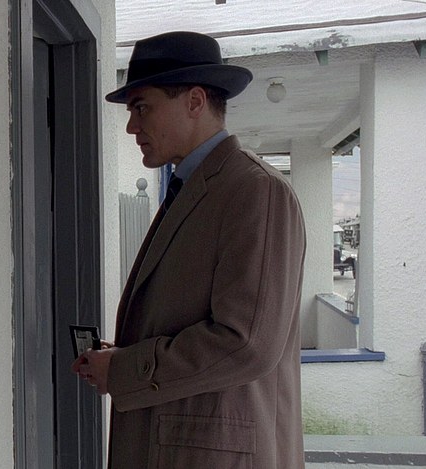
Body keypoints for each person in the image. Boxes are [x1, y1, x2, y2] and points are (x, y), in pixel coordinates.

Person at [71, 31, 306, 468]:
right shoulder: (194, 187)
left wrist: (124, 370)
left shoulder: (256, 191)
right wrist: (120, 356)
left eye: (142, 107)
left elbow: (247, 343)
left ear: (195, 101)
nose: (131, 126)